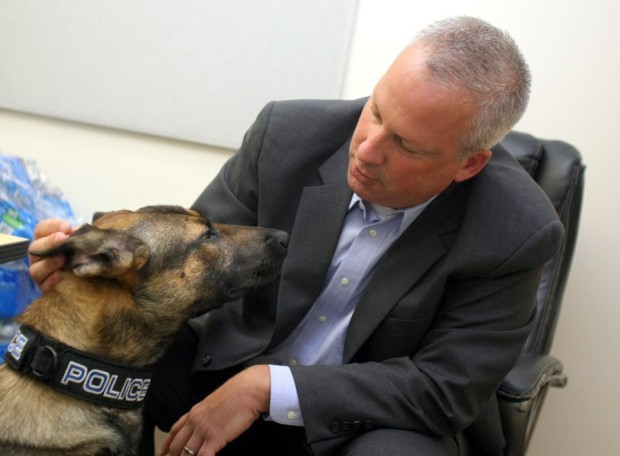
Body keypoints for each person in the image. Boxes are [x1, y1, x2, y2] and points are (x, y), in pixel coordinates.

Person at [29, 16, 564, 456]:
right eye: (375, 110)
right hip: (218, 368)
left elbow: (444, 388)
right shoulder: (287, 134)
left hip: (356, 424)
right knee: (82, 350)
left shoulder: (517, 229)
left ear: (469, 164)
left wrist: (271, 387)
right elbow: (182, 268)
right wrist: (80, 268)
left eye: (406, 145)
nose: (367, 148)